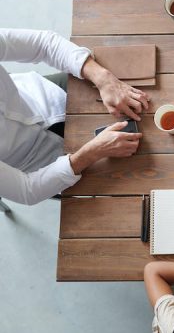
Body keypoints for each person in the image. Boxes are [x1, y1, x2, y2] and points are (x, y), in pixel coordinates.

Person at [0, 28, 148, 205]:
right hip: (45, 165)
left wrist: (103, 79)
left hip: (46, 94)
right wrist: (92, 152)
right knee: (126, 188)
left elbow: (43, 44)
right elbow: (27, 190)